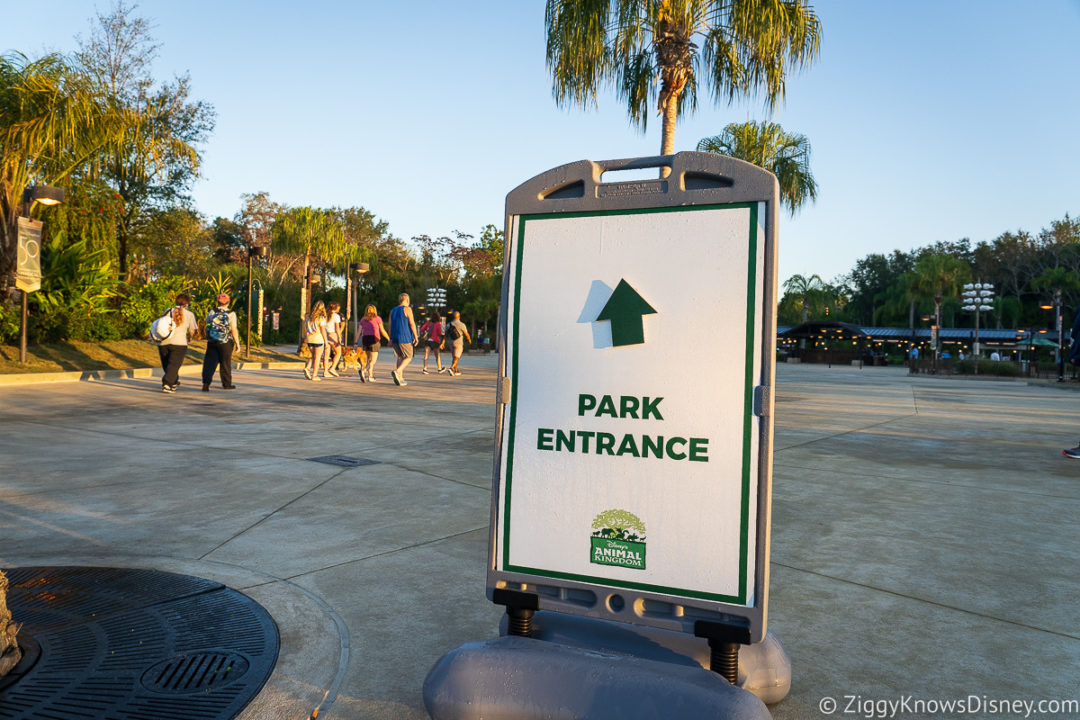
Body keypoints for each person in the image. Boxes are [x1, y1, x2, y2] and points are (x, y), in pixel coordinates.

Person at [157, 293, 197, 394]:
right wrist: (190, 337)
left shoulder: (167, 311)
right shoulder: (190, 314)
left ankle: (173, 382)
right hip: (179, 344)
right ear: (187, 303)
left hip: (164, 342)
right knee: (174, 365)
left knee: (168, 365)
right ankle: (167, 384)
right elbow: (192, 330)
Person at [202, 293, 241, 391]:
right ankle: (227, 384)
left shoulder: (212, 312)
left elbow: (208, 325)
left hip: (212, 341)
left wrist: (209, 336)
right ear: (229, 301)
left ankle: (206, 383)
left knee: (209, 363)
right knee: (225, 363)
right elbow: (233, 329)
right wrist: (238, 343)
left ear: (217, 301)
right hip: (226, 342)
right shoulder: (231, 313)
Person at [387, 293, 418, 386]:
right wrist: (416, 336)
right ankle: (398, 371)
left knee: (400, 357)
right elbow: (412, 323)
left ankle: (400, 378)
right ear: (407, 300)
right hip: (405, 336)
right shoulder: (407, 309)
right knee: (409, 357)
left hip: (395, 337)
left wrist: (390, 338)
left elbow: (389, 326)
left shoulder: (393, 310)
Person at [355, 304, 390, 382]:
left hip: (365, 340)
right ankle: (363, 371)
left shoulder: (362, 320)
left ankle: (370, 376)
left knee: (369, 359)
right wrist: (388, 338)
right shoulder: (378, 319)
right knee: (373, 360)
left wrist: (355, 343)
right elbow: (382, 330)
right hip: (374, 340)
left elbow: (358, 332)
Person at [303, 300, 329, 381]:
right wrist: (326, 342)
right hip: (318, 339)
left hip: (310, 339)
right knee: (317, 358)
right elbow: (323, 330)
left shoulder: (308, 318)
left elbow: (306, 328)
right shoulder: (321, 318)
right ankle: (314, 375)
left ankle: (307, 368)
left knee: (313, 356)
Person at [443, 310, 472, 377]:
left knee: (454, 357)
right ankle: (451, 368)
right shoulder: (462, 324)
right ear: (459, 317)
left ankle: (456, 371)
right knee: (457, 357)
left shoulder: (448, 324)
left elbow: (445, 334)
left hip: (451, 343)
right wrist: (469, 340)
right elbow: (466, 334)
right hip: (458, 343)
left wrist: (443, 342)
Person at [325, 302, 345, 376]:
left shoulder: (325, 315)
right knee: (338, 353)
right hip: (333, 335)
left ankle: (325, 371)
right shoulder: (336, 316)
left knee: (326, 354)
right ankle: (332, 368)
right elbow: (337, 328)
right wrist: (339, 338)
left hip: (325, 334)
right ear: (336, 308)